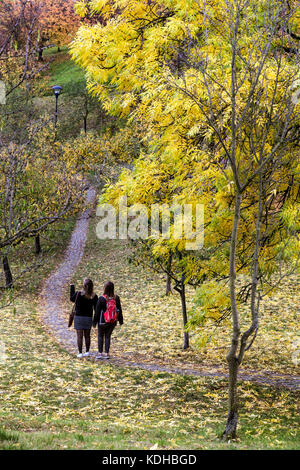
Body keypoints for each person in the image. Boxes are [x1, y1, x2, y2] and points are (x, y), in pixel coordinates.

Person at [93, 281, 123, 359]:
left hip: (102, 321)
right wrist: (120, 320)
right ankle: (106, 353)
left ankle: (100, 353)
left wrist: (94, 322)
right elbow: (119, 309)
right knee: (107, 336)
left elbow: (97, 311)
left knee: (100, 336)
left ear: (105, 288)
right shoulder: (116, 298)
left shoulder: (101, 298)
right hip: (112, 321)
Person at [70, 278, 98, 358]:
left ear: (83, 286)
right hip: (88, 318)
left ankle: (80, 352)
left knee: (79, 336)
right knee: (87, 335)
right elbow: (96, 309)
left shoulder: (79, 294)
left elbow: (71, 299)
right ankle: (87, 351)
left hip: (79, 317)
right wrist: (95, 320)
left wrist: (72, 287)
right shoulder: (94, 296)